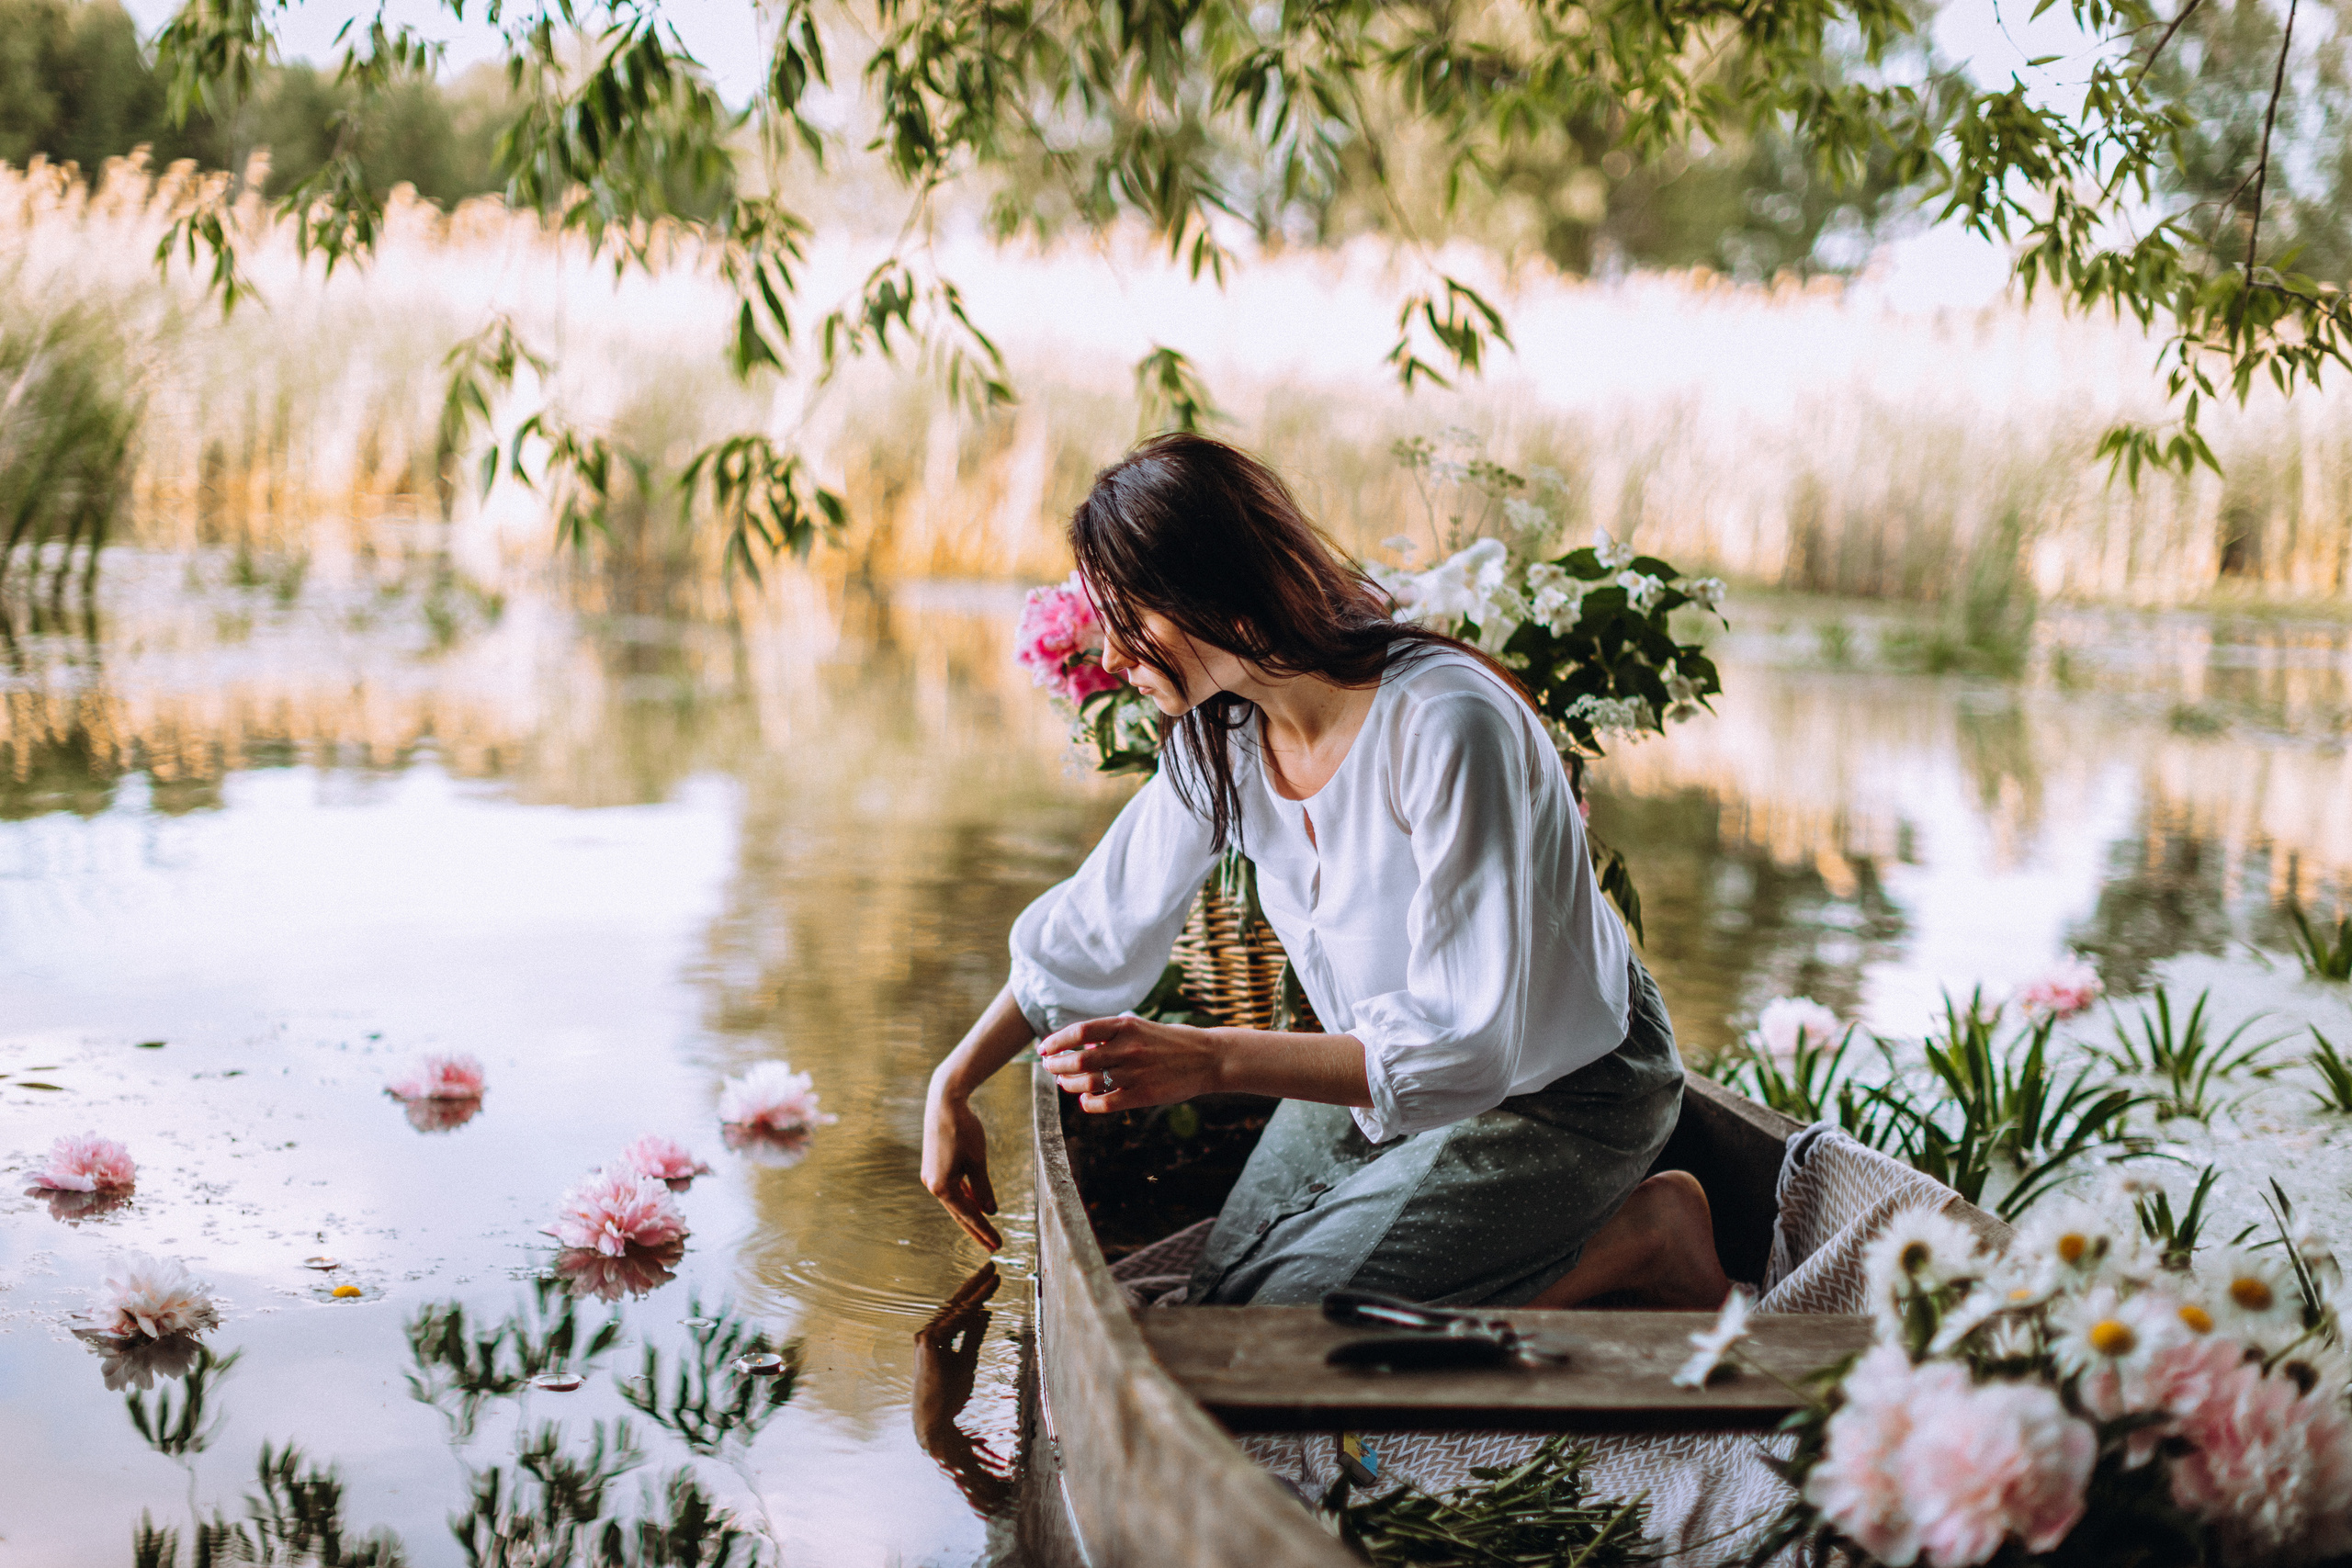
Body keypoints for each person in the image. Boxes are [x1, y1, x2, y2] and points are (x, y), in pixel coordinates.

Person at [921, 434, 1729, 1310]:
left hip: (1566, 1086)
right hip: (1388, 1073)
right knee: (1224, 1293)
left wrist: (1213, 1059)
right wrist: (953, 1083)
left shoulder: (1447, 725)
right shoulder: (1224, 737)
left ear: (1219, 595)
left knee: (1278, 1322)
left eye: (1132, 621)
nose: (1111, 657)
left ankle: (1648, 1240)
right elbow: (1096, 924)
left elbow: (1472, 1042)